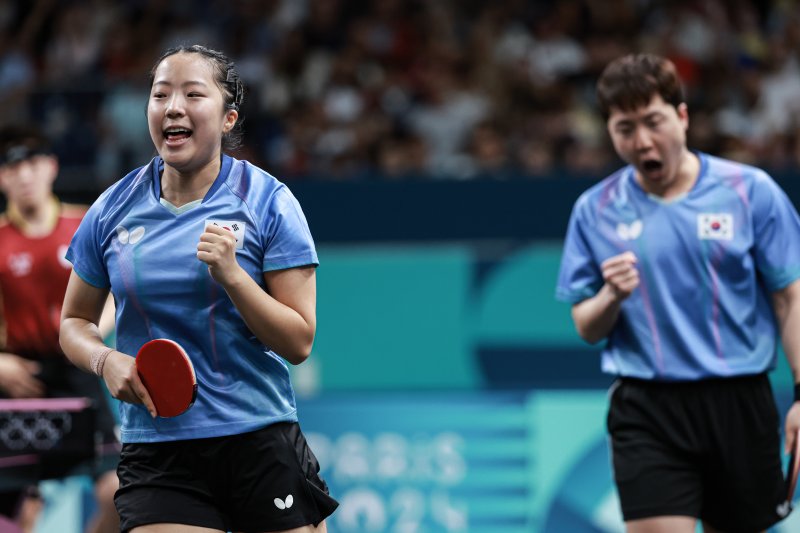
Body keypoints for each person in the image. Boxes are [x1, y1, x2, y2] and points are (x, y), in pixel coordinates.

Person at [59, 44, 338, 533]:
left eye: (193, 94)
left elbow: (299, 342)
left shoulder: (269, 201)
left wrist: (234, 277)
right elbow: (73, 323)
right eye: (160, 94)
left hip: (257, 437)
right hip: (159, 449)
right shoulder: (112, 208)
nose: (173, 107)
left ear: (228, 119)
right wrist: (106, 360)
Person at [555, 53, 800, 533]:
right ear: (609, 132)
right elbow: (586, 326)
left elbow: (790, 298)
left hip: (739, 403)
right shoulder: (594, 210)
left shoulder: (751, 192)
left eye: (654, 122)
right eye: (626, 128)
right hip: (649, 409)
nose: (643, 141)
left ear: (682, 117)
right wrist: (610, 296)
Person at [0, 125, 120, 533]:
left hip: (78, 372)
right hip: (18, 379)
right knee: (17, 514)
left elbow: (117, 296)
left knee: (120, 493)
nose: (24, 175)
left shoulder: (84, 223)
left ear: (51, 168)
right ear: (2, 178)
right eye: (13, 167)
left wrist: (89, 338)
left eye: (33, 163)